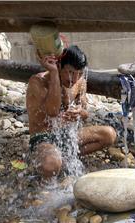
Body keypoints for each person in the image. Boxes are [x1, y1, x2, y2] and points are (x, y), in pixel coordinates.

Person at [26, 45, 117, 179]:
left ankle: (66, 156)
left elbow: (86, 113)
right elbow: (52, 111)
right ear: (59, 66)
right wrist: (54, 74)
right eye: (70, 72)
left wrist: (80, 113)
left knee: (109, 134)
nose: (74, 79)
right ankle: (46, 159)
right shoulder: (38, 82)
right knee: (51, 165)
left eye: (79, 73)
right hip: (43, 138)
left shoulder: (79, 82)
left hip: (68, 135)